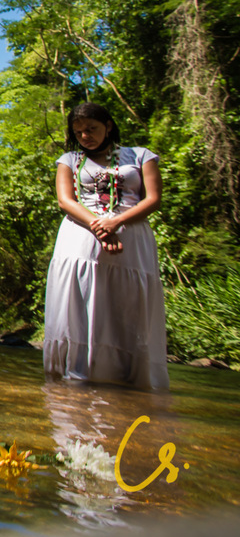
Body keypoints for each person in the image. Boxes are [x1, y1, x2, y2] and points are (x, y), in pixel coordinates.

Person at [43, 102, 167, 389]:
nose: (85, 136)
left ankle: (128, 378)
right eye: (78, 132)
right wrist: (98, 225)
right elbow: (66, 201)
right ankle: (76, 374)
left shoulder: (140, 156)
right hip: (80, 236)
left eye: (91, 129)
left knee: (127, 302)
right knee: (81, 297)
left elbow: (153, 199)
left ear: (108, 126)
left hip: (131, 236)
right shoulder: (69, 160)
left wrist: (115, 223)